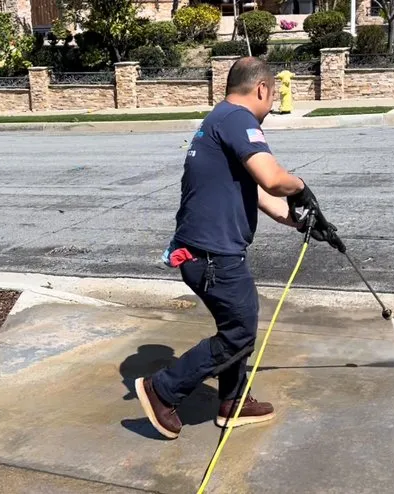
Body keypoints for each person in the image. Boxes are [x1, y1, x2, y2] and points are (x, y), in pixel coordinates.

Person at [134, 57, 342, 440]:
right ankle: (162, 388)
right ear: (261, 88)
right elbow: (273, 179)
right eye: (272, 95)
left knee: (236, 324)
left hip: (203, 253)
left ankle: (233, 401)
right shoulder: (238, 120)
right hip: (214, 257)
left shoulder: (219, 119)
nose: (272, 104)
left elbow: (256, 190)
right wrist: (300, 187)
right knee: (240, 333)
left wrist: (297, 220)